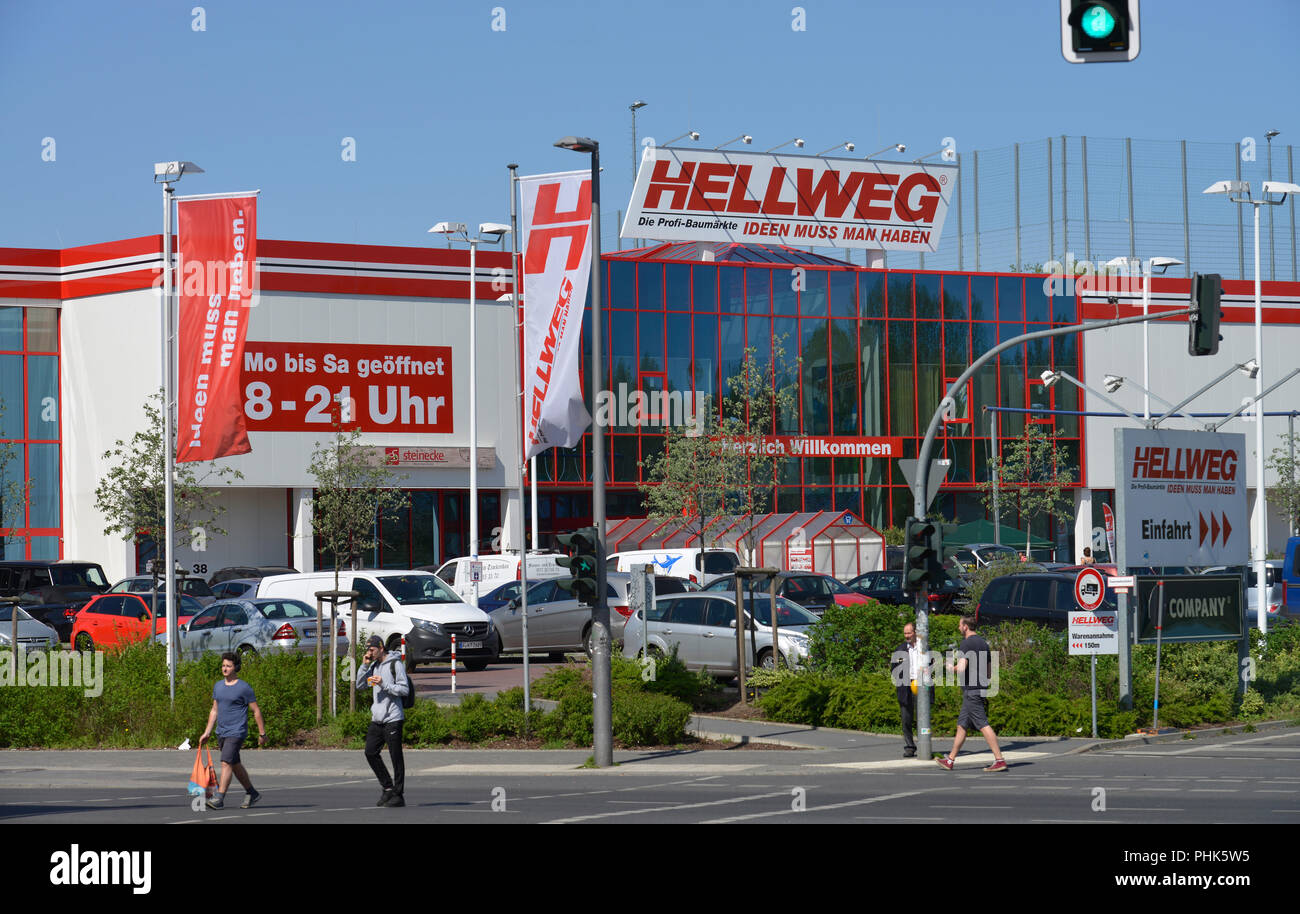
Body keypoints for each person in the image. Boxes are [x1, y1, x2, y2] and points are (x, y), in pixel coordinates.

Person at [936, 616, 1007, 772]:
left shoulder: (966, 643)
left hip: (971, 691)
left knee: (983, 724)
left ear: (965, 627)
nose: (958, 628)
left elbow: (961, 668)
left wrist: (950, 668)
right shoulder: (984, 643)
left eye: (959, 625)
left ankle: (999, 760)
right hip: (980, 689)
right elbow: (989, 672)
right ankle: (950, 760)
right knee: (962, 726)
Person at [198, 651, 267, 809]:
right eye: (223, 665)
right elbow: (214, 710)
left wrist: (262, 733)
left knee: (225, 762)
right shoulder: (218, 686)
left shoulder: (244, 688)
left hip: (237, 732)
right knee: (234, 763)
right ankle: (252, 792)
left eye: (228, 666)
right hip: (221, 732)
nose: (225, 668)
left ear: (236, 667)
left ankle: (219, 798)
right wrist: (207, 732)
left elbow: (256, 711)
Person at [356, 634, 410, 807]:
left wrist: (384, 684)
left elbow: (404, 689)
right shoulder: (373, 665)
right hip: (377, 718)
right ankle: (387, 788)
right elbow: (359, 686)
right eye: (368, 650)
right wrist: (364, 666)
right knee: (370, 752)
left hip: (393, 717)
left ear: (381, 648)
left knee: (396, 757)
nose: (369, 653)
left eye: (372, 650)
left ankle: (398, 795)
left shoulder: (396, 664)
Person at [890, 623, 933, 758]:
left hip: (921, 687)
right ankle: (910, 746)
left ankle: (924, 745)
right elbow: (893, 669)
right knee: (906, 719)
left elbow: (933, 665)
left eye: (909, 633)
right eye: (905, 633)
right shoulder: (899, 650)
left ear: (915, 632)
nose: (907, 636)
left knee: (923, 718)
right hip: (906, 688)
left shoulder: (924, 648)